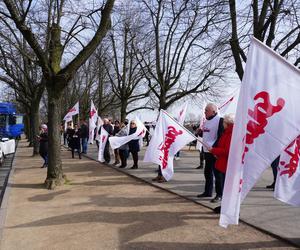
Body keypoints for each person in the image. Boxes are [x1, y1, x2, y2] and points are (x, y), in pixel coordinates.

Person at [197, 103, 224, 202]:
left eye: (206, 111)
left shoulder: (220, 120)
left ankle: (219, 194)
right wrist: (199, 132)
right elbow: (205, 133)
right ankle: (208, 191)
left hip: (215, 151)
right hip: (206, 151)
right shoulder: (206, 121)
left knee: (218, 174)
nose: (204, 113)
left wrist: (214, 148)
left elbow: (221, 136)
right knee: (207, 172)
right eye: (205, 111)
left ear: (213, 111)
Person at [208, 114, 234, 209]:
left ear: (227, 123)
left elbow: (227, 151)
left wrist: (214, 150)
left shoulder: (231, 134)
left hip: (226, 164)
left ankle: (227, 208)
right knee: (224, 187)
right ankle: (224, 206)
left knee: (227, 188)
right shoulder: (227, 132)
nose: (222, 124)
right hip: (222, 163)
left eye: (223, 122)